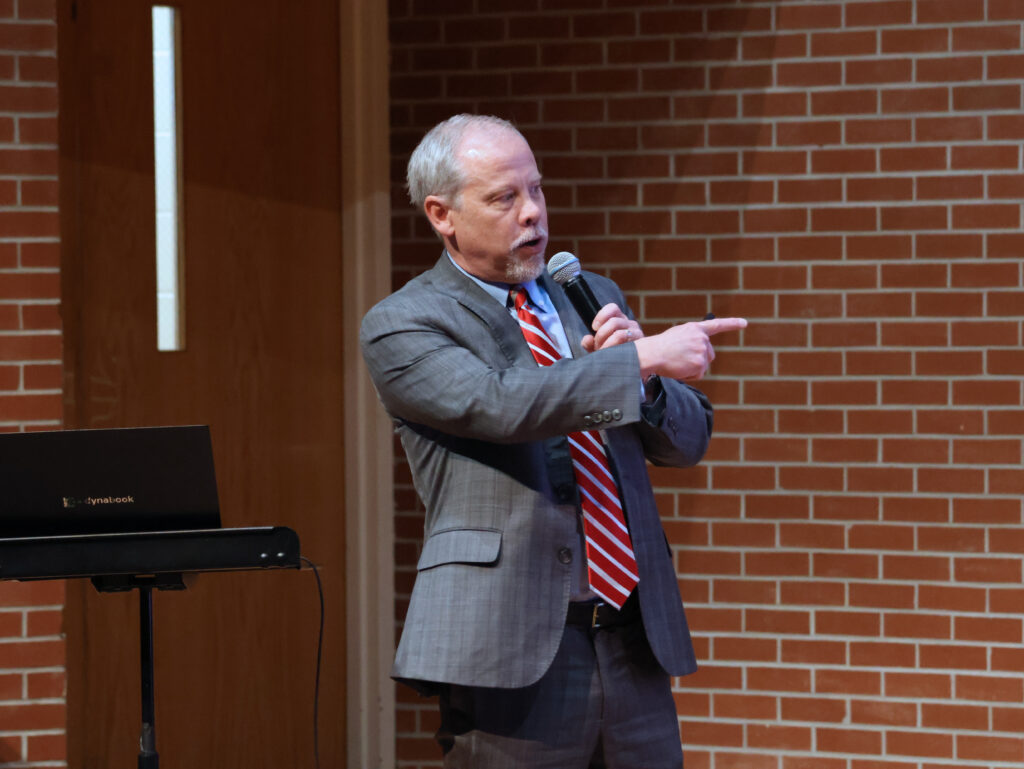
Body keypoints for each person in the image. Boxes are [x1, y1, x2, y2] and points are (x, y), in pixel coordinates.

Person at [360, 114, 746, 768]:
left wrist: (643, 382)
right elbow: (502, 402)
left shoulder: (585, 294)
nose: (533, 212)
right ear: (441, 214)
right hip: (513, 646)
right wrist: (641, 359)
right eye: (504, 197)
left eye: (537, 189)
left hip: (632, 636)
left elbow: (688, 440)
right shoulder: (404, 322)